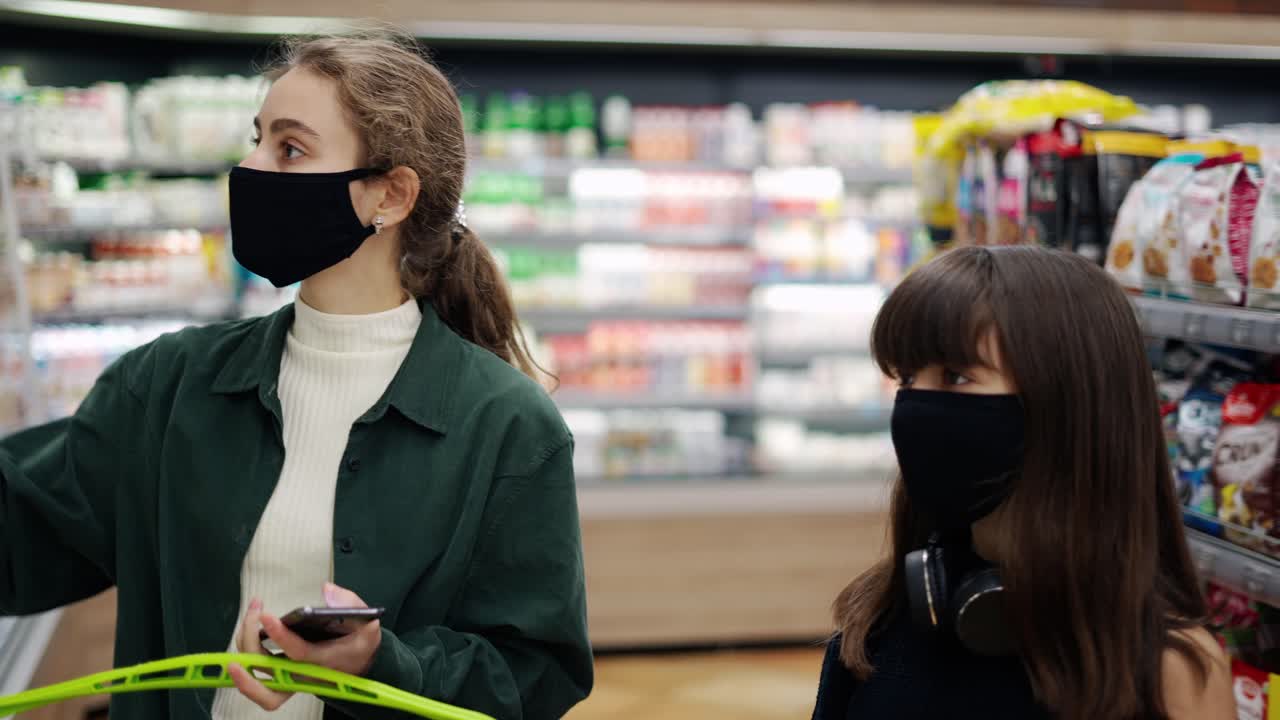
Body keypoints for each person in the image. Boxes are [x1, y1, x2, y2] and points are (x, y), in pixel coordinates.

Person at [0, 29, 592, 720]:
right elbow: (25, 532)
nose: (249, 168)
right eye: (257, 139)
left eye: (290, 148)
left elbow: (535, 674)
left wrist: (380, 662)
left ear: (390, 197)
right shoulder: (169, 386)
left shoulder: (507, 426)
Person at [812, 246, 1234, 719]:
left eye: (955, 376)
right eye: (907, 378)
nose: (915, 407)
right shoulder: (878, 624)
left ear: (1068, 404)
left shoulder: (1169, 671)